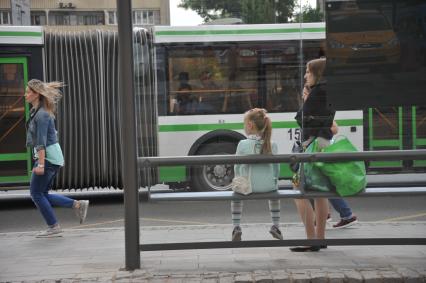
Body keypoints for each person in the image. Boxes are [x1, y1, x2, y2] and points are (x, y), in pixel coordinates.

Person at [25, 79, 89, 238]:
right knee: (43, 193)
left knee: (36, 193)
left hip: (47, 158)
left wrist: (40, 163)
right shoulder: (38, 111)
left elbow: (41, 142)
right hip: (51, 157)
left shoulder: (41, 114)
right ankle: (77, 205)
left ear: (36, 94)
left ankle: (53, 226)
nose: (24, 94)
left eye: (28, 92)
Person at [291, 58, 335, 252]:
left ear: (318, 73)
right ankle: (320, 238)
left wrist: (306, 100)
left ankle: (311, 239)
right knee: (320, 192)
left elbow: (302, 120)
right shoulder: (330, 91)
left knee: (299, 191)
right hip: (324, 143)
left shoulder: (317, 93)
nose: (305, 75)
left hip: (312, 146)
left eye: (308, 72)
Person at [231, 108, 282, 241]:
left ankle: (236, 227)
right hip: (268, 187)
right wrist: (274, 180)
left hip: (247, 187)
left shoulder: (242, 144)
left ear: (249, 125)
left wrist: (238, 178)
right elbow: (277, 170)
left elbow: (237, 167)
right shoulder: (272, 145)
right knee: (275, 194)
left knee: (236, 195)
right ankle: (276, 226)